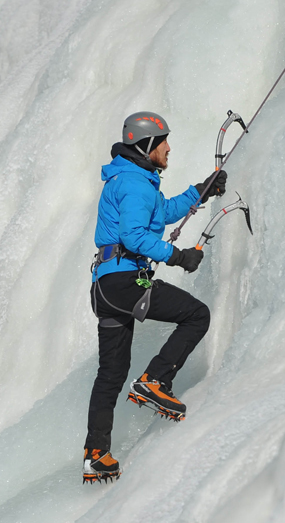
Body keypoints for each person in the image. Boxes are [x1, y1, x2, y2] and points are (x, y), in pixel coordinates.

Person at [83, 111, 227, 484]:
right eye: (162, 141)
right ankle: (154, 381)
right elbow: (133, 237)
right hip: (125, 281)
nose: (168, 147)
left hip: (107, 286)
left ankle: (96, 453)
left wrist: (201, 191)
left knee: (111, 374)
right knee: (196, 315)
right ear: (146, 146)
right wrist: (178, 257)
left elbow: (161, 214)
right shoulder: (133, 184)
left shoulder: (134, 181)